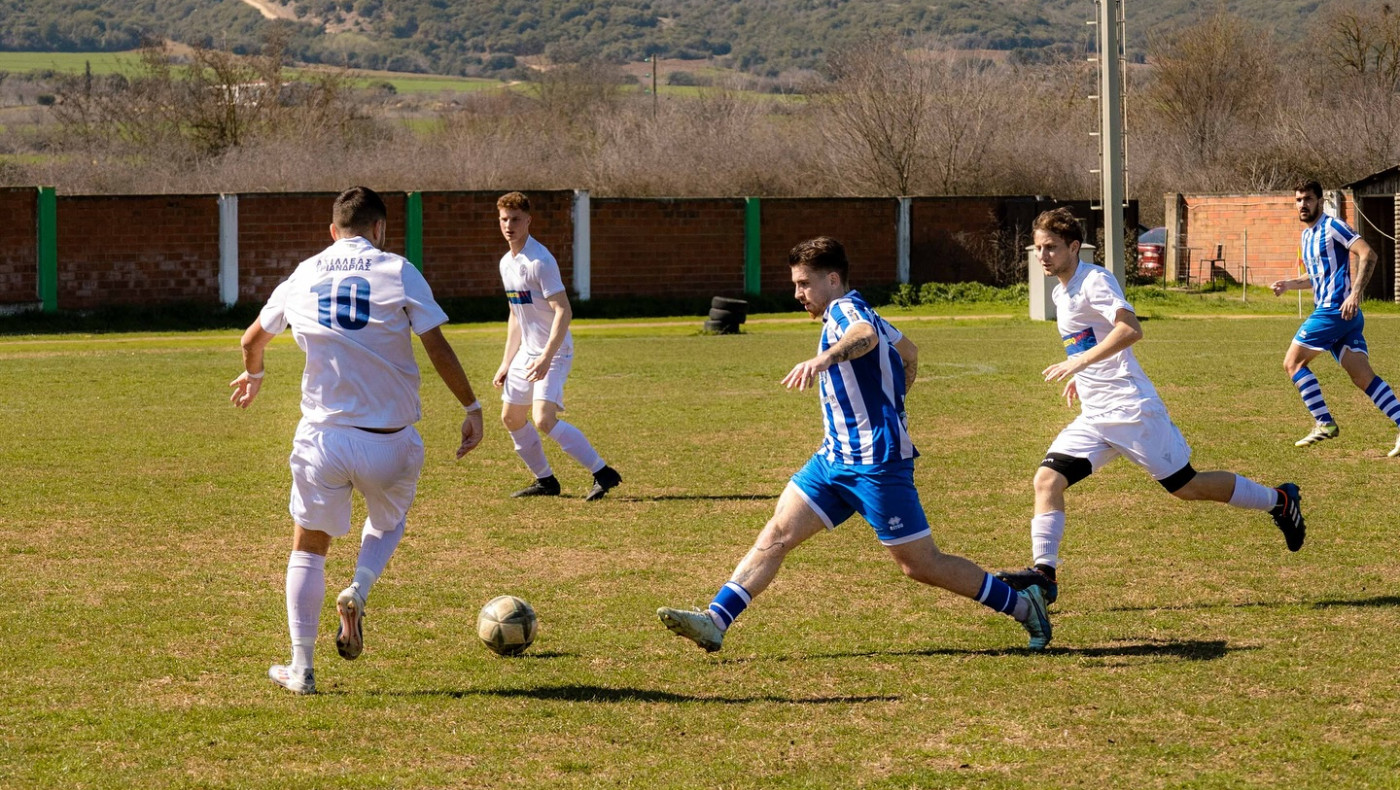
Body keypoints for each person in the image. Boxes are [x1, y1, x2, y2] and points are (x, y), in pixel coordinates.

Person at [657, 236, 1053, 652]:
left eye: (804, 283)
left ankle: (1024, 605)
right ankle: (716, 619)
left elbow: (863, 335)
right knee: (778, 533)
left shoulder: (846, 310)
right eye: (796, 284)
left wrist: (826, 358)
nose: (798, 294)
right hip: (833, 459)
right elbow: (909, 352)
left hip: (876, 463)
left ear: (832, 279)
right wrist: (892, 398)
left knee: (920, 564)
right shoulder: (861, 311)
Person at [230, 186, 485, 695]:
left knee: (309, 546)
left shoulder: (304, 273)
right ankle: (360, 587)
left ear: (333, 231)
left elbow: (251, 339)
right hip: (390, 442)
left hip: (323, 441)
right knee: (387, 523)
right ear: (380, 229)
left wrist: (254, 375)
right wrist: (471, 407)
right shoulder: (397, 270)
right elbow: (436, 344)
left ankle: (301, 668)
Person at [995, 208, 1306, 606]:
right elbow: (1090, 339)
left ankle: (1279, 500)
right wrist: (1081, 372)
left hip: (1131, 410)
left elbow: (1130, 329)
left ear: (1074, 247)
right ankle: (1044, 575)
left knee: (1187, 487)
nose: (1043, 255)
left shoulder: (1094, 280)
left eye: (1051, 247)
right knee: (1047, 481)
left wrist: (1079, 362)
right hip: (1096, 416)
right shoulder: (1061, 291)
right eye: (1038, 248)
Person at [493, 191, 621, 500]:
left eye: (515, 219)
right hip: (527, 353)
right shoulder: (506, 263)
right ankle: (546, 481)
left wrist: (546, 357)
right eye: (504, 219)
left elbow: (564, 311)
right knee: (511, 418)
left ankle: (603, 472)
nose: (509, 225)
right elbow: (516, 314)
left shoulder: (541, 261)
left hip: (555, 350)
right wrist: (506, 362)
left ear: (529, 221)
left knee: (543, 419)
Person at [1270, 180, 1400, 455]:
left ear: (1320, 201)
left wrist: (1355, 294)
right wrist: (1289, 284)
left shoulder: (1333, 226)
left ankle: (1324, 422)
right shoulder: (1306, 237)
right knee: (1363, 377)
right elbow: (1317, 276)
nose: (1302, 204)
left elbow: (1368, 254)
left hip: (1334, 310)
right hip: (1343, 316)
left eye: (1308, 199)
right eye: (1298, 200)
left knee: (1292, 363)